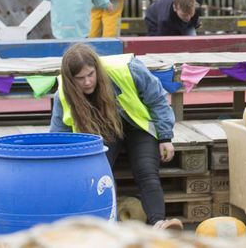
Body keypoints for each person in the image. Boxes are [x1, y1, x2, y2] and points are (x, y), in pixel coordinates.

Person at [50, 43, 182, 230]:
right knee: (99, 174)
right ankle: (102, 225)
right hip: (103, 132)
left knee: (146, 171)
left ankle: (159, 223)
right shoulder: (62, 94)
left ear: (97, 68)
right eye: (80, 78)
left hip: (138, 126)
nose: (87, 82)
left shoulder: (129, 69)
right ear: (71, 79)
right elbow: (59, 134)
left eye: (90, 75)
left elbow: (158, 100)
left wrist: (165, 137)